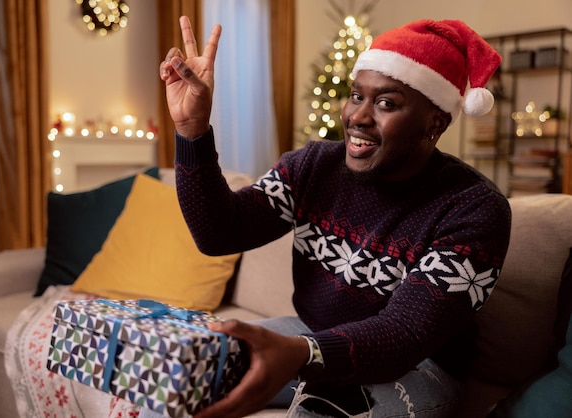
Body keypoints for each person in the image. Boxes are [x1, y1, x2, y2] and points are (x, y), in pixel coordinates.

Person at [146, 16, 512, 418]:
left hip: (418, 367)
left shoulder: (474, 207)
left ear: (434, 123)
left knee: (322, 406)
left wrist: (305, 352)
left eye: (386, 103)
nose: (358, 116)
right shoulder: (314, 166)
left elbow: (406, 333)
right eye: (357, 96)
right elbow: (219, 233)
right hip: (311, 334)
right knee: (172, 375)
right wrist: (192, 130)